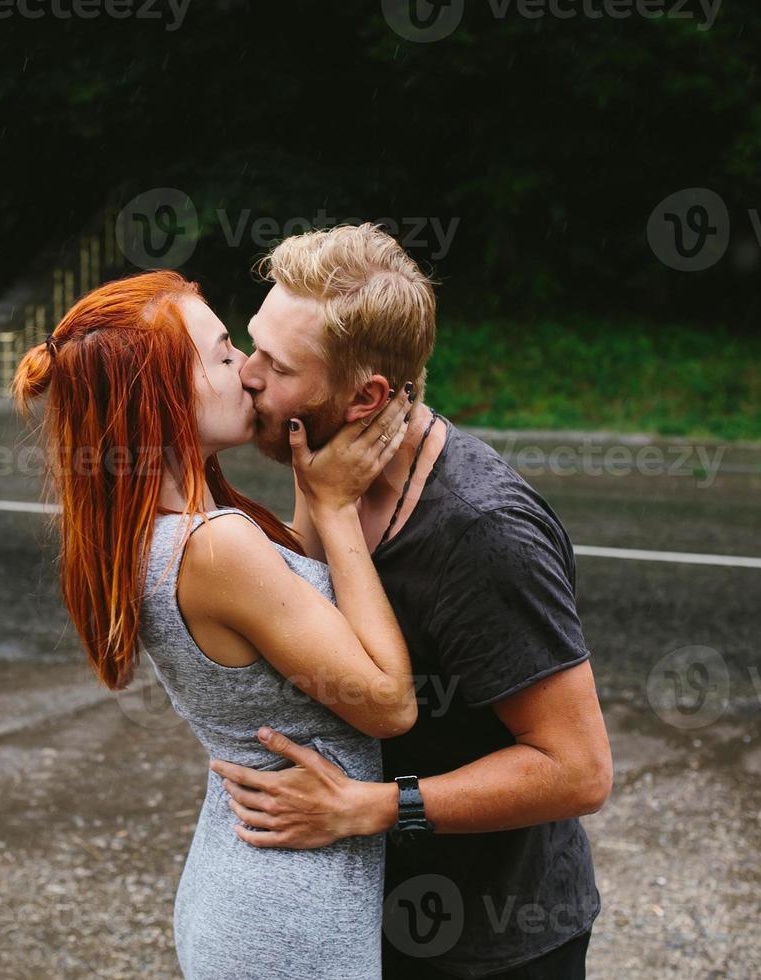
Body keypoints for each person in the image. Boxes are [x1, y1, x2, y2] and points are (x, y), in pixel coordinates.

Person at [207, 224, 614, 979]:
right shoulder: (324, 459)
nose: (249, 375)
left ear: (366, 398)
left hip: (495, 944)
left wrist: (371, 806)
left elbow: (579, 769)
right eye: (252, 344)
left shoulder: (484, 534)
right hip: (373, 915)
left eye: (279, 364)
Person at [12, 268, 421, 979]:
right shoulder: (216, 546)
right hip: (286, 917)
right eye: (224, 353)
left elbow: (295, 601)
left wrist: (312, 482)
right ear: (163, 397)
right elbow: (388, 704)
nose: (248, 372)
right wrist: (334, 511)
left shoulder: (161, 533)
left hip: (252, 883)